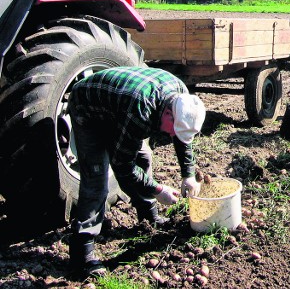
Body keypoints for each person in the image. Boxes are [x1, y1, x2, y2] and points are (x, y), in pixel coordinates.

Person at [67, 67, 207, 278]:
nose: (171, 135)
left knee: (144, 157)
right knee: (96, 178)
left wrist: (188, 174)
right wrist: (158, 190)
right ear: (168, 112)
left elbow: (180, 136)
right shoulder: (140, 111)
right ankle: (82, 252)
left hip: (119, 106)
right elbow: (124, 167)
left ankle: (148, 217)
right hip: (87, 108)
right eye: (173, 128)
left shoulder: (181, 95)